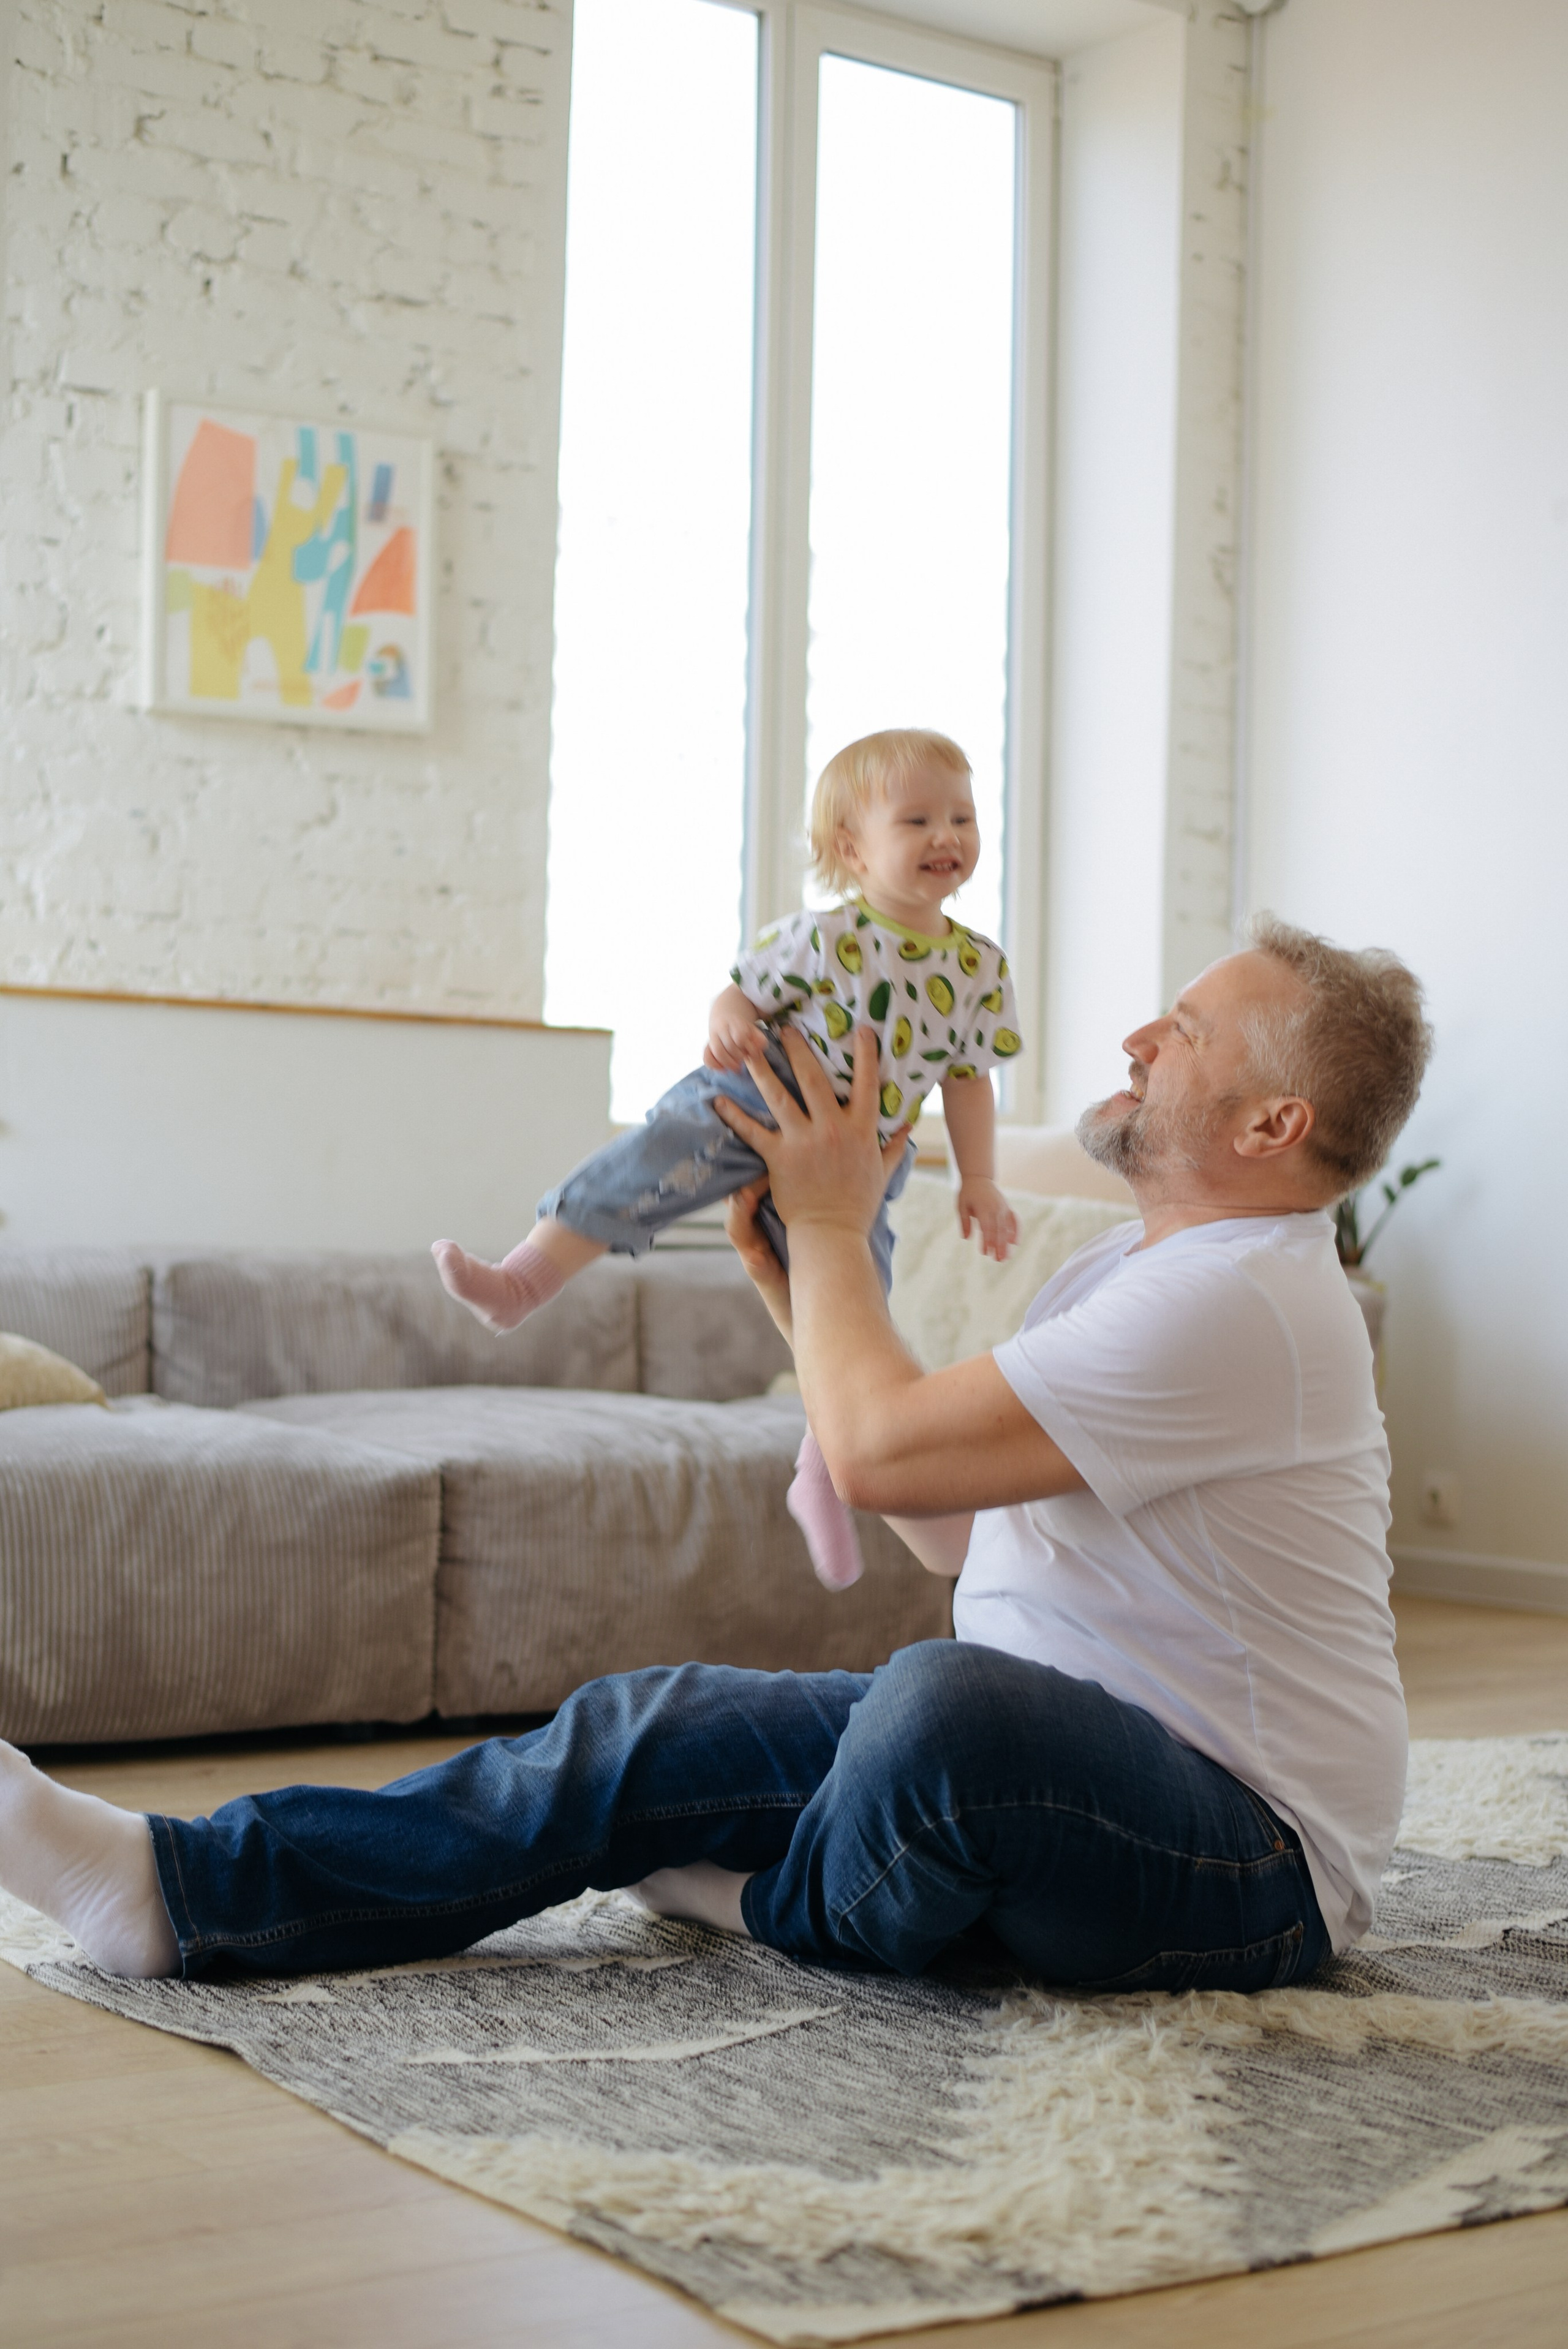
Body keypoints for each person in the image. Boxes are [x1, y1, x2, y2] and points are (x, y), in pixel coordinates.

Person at [0, 916, 1431, 1994]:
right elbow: (944, 1529)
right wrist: (785, 1280)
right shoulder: (1129, 1270)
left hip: (1241, 1858)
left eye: (1180, 1029)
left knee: (940, 1715)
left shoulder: (1242, 1299)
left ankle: (770, 1904)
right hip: (1041, 1762)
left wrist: (829, 1221)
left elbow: (874, 1464)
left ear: (1268, 1124)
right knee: (646, 1725)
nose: (1135, 1040)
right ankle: (176, 1891)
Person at [432, 726, 1020, 1591]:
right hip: (758, 1097)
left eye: (963, 817)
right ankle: (524, 1280)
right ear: (853, 850)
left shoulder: (981, 968)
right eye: (919, 820)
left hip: (863, 1161)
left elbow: (969, 1082)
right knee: (653, 1158)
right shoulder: (821, 940)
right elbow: (738, 993)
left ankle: (822, 1475)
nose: (948, 837)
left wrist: (978, 1178)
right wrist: (727, 1022)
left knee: (856, 1313)